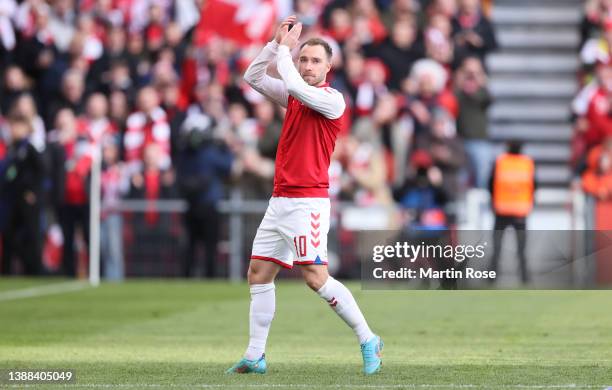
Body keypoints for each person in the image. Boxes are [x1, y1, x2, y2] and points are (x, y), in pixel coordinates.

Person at [227, 16, 383, 376]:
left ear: (329, 67)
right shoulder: (296, 95)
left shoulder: (332, 100)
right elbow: (252, 76)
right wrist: (274, 44)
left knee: (315, 277)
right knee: (258, 274)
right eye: (303, 59)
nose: (308, 65)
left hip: (307, 202)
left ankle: (367, 337)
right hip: (280, 199)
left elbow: (295, 87)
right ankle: (255, 355)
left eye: (315, 60)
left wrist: (285, 51)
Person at [488, 141, 536, 284]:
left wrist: (493, 200)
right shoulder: (527, 163)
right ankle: (524, 276)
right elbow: (534, 185)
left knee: (497, 247)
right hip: (520, 211)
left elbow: (490, 183)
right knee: (522, 248)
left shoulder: (500, 162)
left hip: (501, 210)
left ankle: (492, 276)